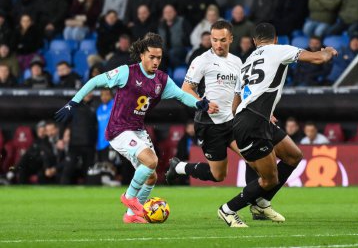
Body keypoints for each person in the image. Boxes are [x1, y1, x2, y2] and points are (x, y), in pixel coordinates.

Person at [54, 33, 218, 224]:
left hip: (137, 130)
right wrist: (72, 103)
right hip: (119, 129)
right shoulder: (127, 72)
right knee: (151, 160)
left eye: (159, 58)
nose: (156, 61)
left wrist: (199, 104)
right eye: (152, 57)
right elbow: (94, 81)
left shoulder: (162, 81)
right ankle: (129, 197)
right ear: (142, 55)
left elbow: (182, 96)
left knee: (151, 176)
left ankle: (131, 215)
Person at [217, 23, 337, 227]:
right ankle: (228, 209)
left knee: (293, 156)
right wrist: (327, 51)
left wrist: (257, 114)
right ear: (276, 39)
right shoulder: (279, 50)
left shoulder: (247, 62)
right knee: (269, 179)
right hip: (253, 122)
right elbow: (319, 58)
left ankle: (262, 203)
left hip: (252, 118)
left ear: (255, 42)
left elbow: (236, 102)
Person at [166, 20, 284, 222]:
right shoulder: (202, 60)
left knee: (254, 161)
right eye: (214, 40)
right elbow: (186, 89)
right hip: (209, 124)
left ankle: (256, 206)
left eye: (222, 40)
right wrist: (203, 103)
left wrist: (265, 112)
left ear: (231, 38)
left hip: (233, 122)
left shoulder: (238, 62)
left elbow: (246, 91)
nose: (218, 44)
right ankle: (179, 168)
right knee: (218, 175)